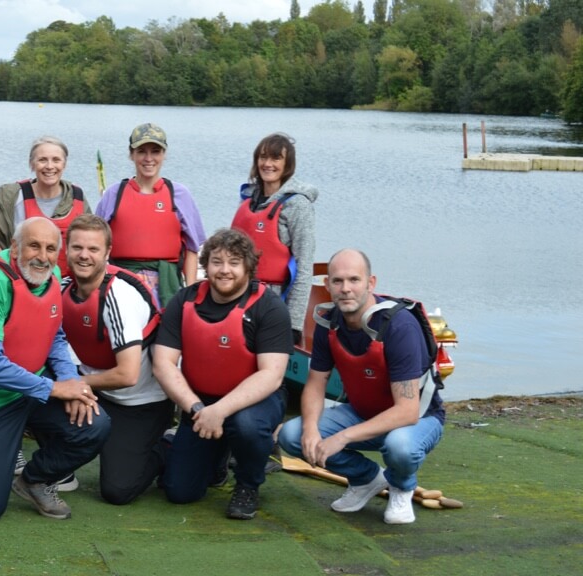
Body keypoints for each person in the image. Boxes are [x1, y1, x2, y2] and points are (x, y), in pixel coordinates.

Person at [0, 217, 110, 520]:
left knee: (94, 424)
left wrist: (68, 379)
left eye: (51, 249)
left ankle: (35, 480)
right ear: (14, 246)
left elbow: (55, 337)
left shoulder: (51, 276)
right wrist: (54, 388)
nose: (43, 256)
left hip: (32, 389)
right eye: (34, 246)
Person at [278, 249, 445, 525]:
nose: (346, 289)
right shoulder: (328, 322)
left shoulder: (398, 326)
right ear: (327, 285)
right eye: (337, 281)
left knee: (400, 447)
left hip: (418, 420)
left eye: (354, 280)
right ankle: (367, 479)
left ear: (371, 283)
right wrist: (310, 430)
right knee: (292, 435)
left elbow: (407, 411)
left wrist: (342, 438)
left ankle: (401, 487)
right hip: (361, 413)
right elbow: (316, 385)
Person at [151, 228, 292, 520]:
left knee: (247, 426)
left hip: (256, 403)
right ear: (206, 264)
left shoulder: (269, 307)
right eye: (216, 262)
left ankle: (247, 485)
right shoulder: (185, 300)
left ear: (248, 267)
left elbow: (272, 375)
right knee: (179, 492)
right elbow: (163, 363)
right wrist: (197, 408)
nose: (224, 270)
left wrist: (221, 410)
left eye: (234, 262)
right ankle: (216, 458)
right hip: (201, 403)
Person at [60, 214, 170, 505]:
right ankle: (58, 467)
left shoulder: (119, 296)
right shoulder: (62, 288)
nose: (84, 256)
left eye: (93, 249)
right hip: (98, 393)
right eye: (77, 247)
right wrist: (72, 386)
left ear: (107, 253)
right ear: (66, 249)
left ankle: (169, 443)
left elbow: (128, 374)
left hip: (140, 402)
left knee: (117, 490)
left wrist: (74, 384)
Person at [95, 123, 206, 308]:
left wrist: (190, 294)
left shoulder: (179, 194)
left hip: (166, 284)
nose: (149, 158)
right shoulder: (114, 194)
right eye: (141, 151)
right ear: (132, 154)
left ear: (164, 154)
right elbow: (95, 243)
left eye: (155, 151)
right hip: (121, 283)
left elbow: (192, 250)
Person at [230, 133, 318, 345]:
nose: (267, 164)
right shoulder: (249, 200)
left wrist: (293, 324)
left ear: (287, 164)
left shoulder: (298, 205)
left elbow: (304, 268)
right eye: (263, 157)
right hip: (238, 297)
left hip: (274, 300)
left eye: (275, 158)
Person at [0, 136, 89, 277]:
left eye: (56, 160)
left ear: (64, 164)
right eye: (42, 160)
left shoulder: (77, 197)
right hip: (19, 284)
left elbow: (93, 242)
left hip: (65, 286)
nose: (50, 166)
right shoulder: (10, 196)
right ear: (32, 164)